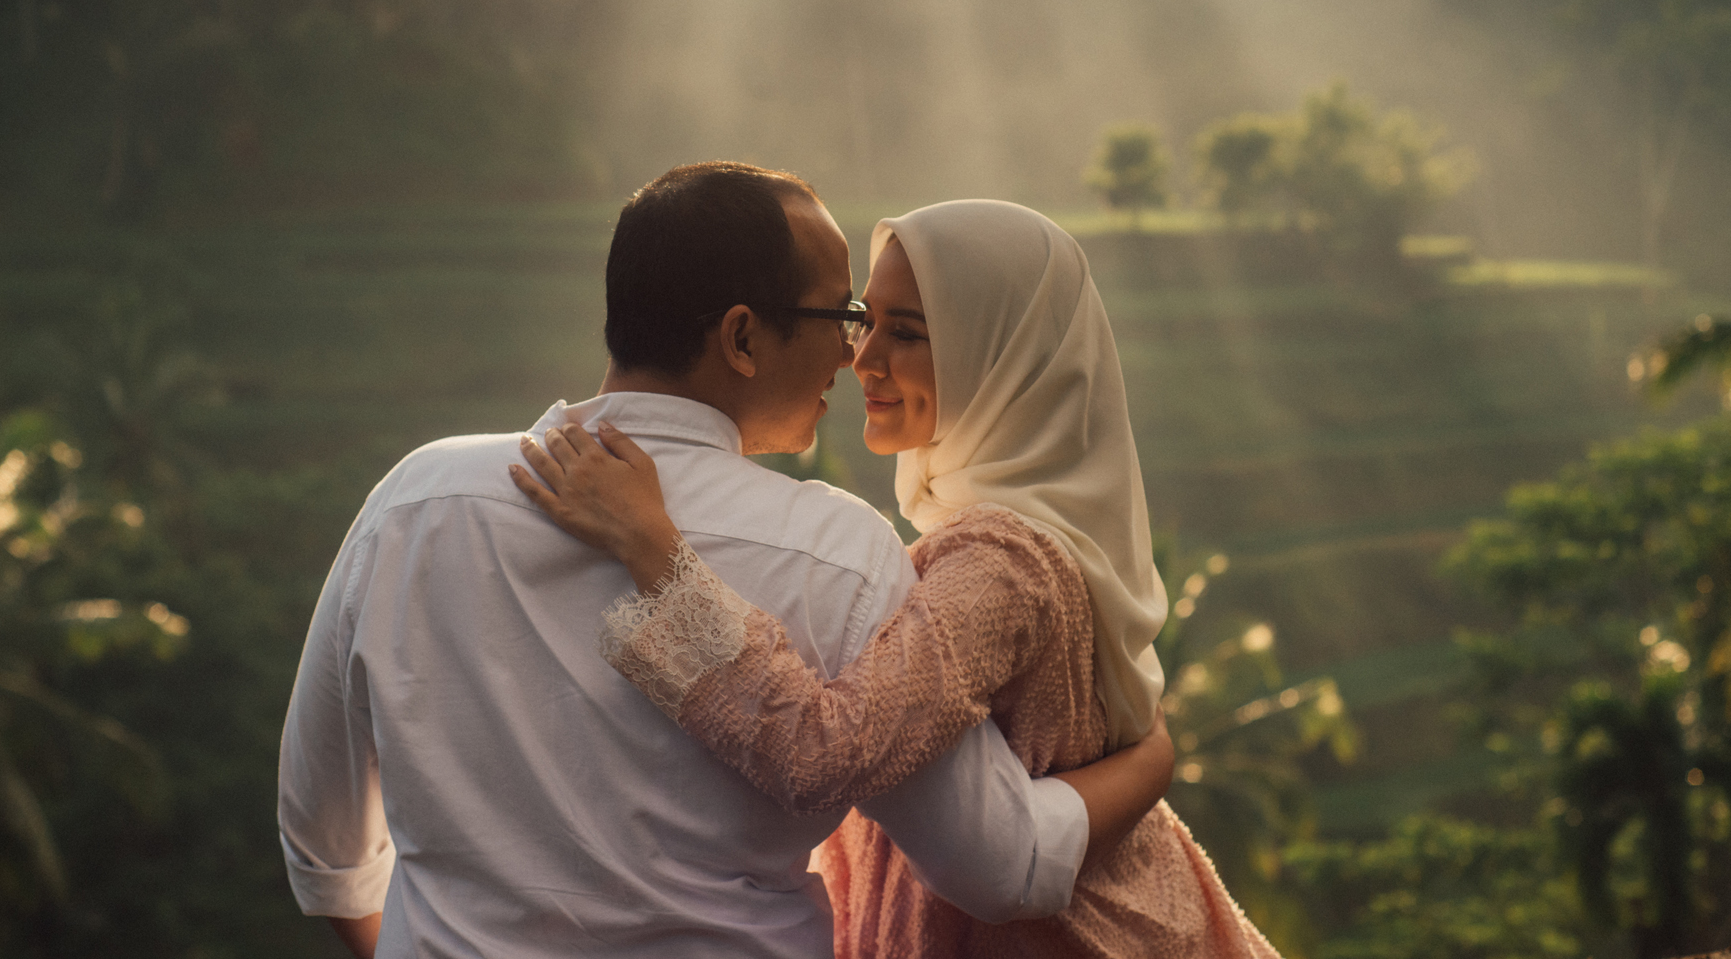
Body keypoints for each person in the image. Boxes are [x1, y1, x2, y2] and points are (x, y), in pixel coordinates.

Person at [278, 165, 1175, 959]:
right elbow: (1000, 861)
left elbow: (323, 851)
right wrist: (1156, 757)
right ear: (742, 337)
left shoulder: (416, 500)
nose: (853, 352)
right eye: (845, 316)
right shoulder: (842, 555)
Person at [512, 198, 1283, 958]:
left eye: (907, 332)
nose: (860, 356)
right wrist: (1155, 758)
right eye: (863, 319)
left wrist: (654, 551)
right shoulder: (1018, 530)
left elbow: (820, 754)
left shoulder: (1000, 565)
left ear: (1002, 354)